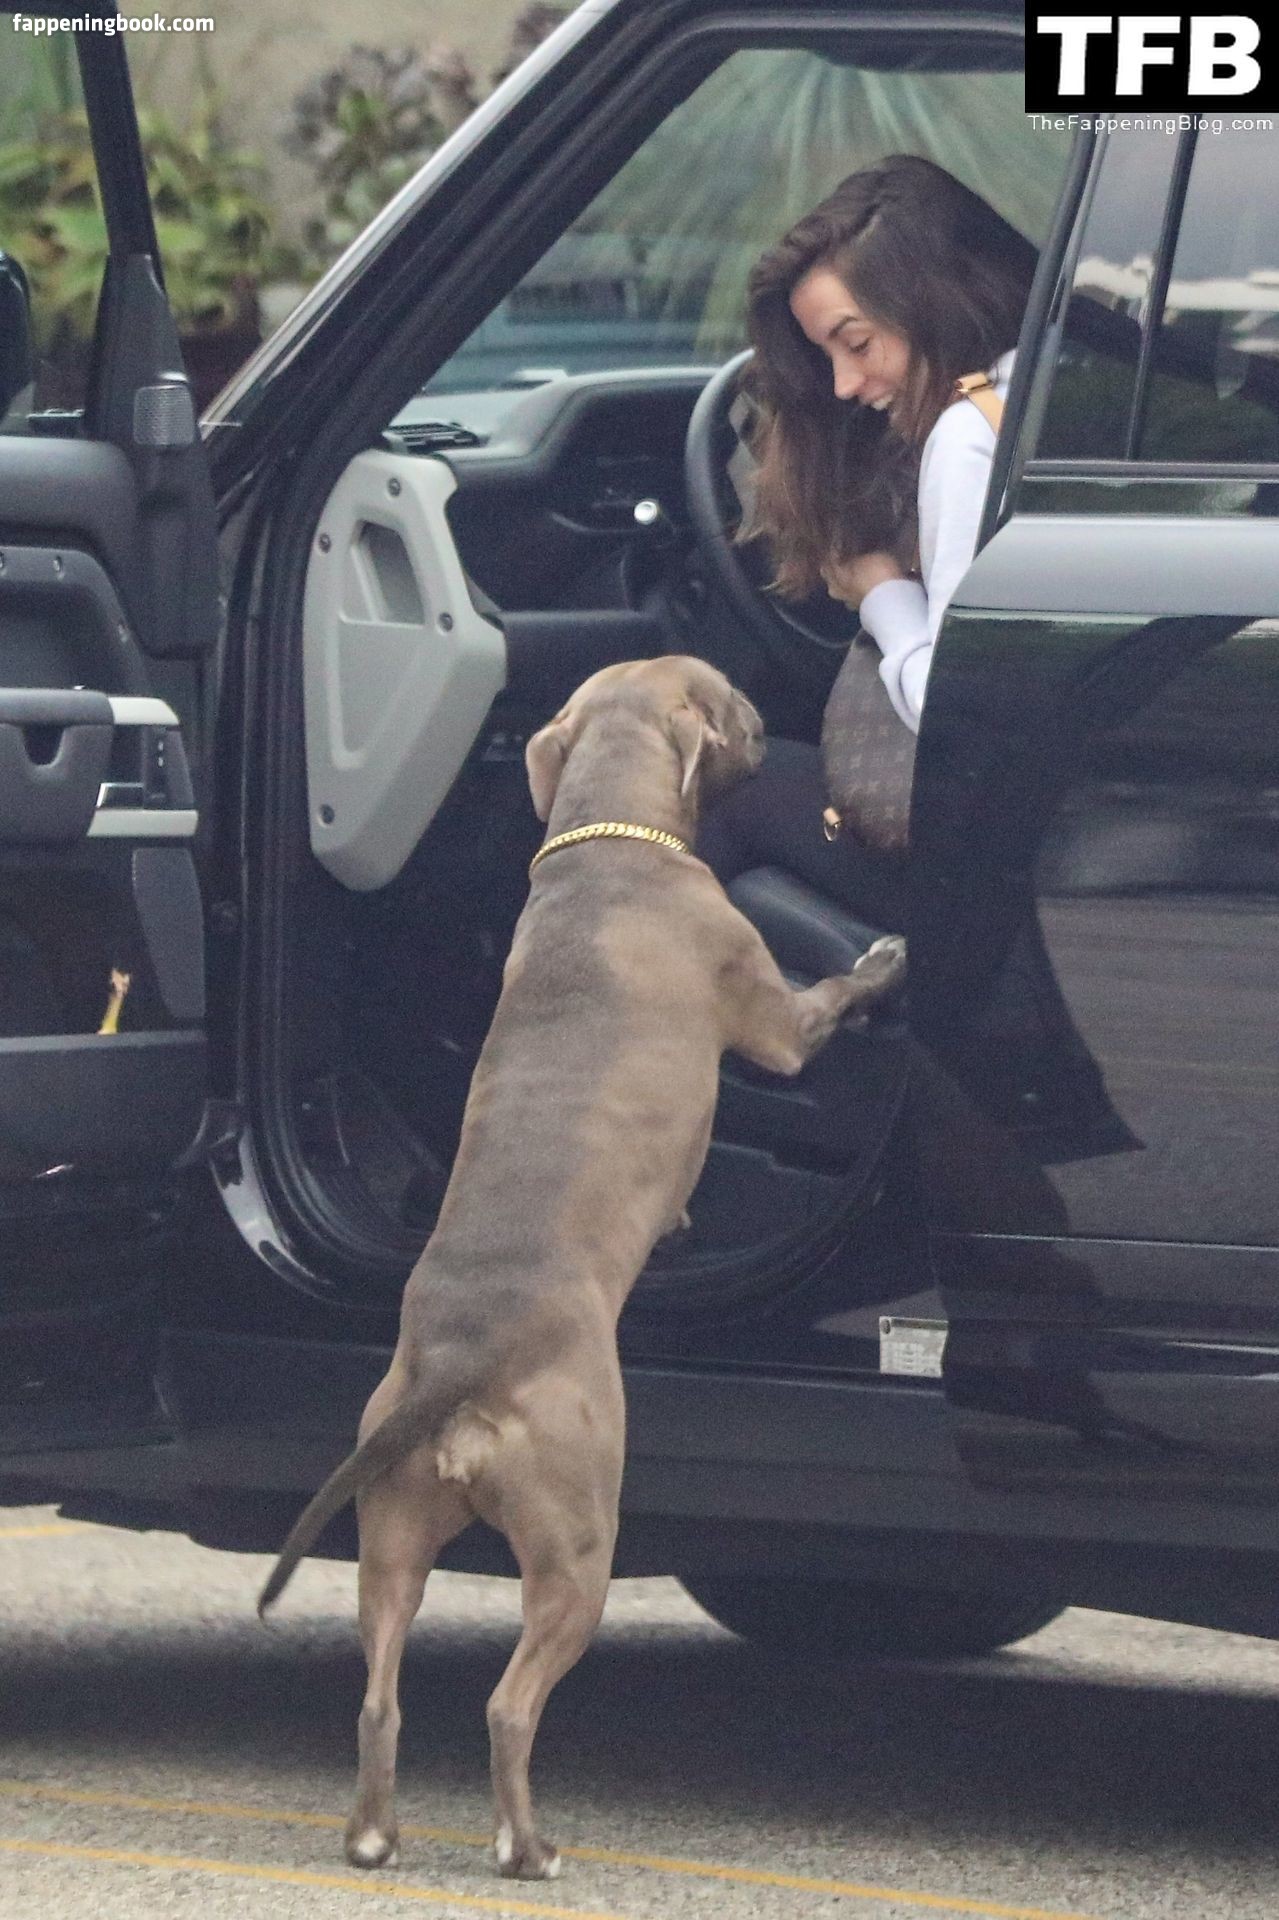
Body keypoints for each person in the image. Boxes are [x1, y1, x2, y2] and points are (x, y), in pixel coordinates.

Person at [697, 154, 1037, 922]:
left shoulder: (971, 435)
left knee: (724, 794)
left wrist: (882, 594)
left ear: (934, 300)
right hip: (1061, 815)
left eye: (856, 343)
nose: (844, 385)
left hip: (987, 858)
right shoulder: (1054, 384)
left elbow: (948, 710)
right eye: (826, 357)